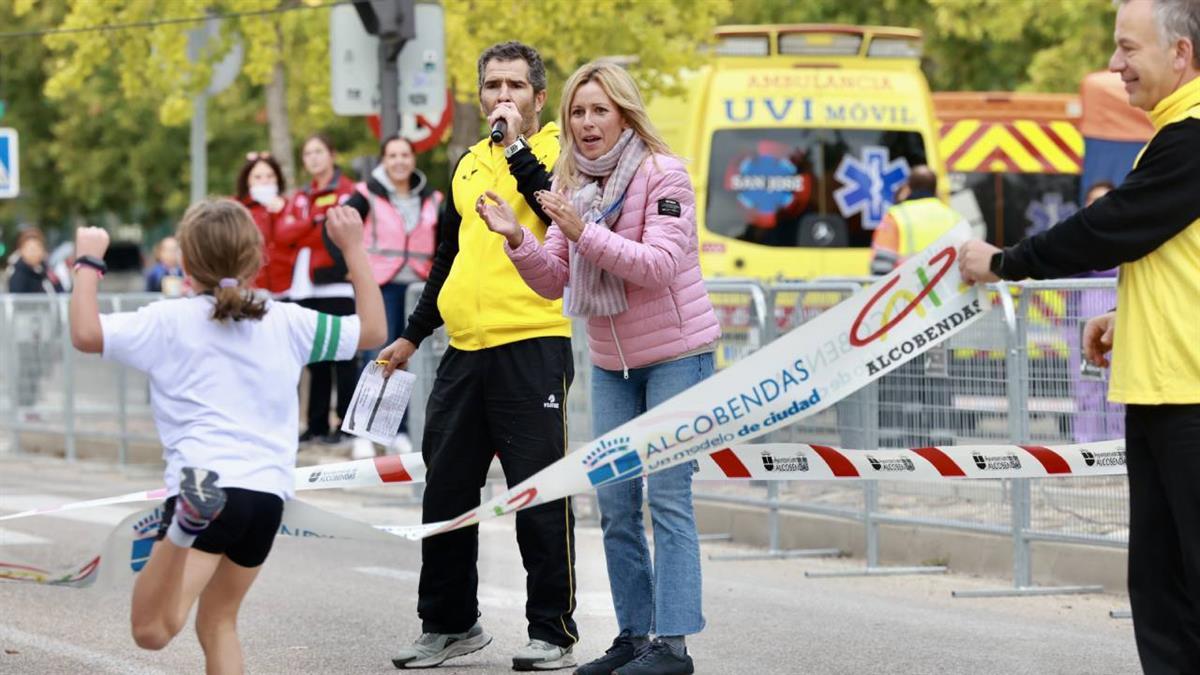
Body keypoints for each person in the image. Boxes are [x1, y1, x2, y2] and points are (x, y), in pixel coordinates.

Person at [958, 2, 1200, 671]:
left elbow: (1112, 225)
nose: (1115, 65)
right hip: (1163, 389)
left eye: (1128, 49)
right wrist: (1131, 319)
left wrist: (1006, 261)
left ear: (1180, 54)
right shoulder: (1173, 133)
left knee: (1173, 593)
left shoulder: (1192, 135)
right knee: (1160, 588)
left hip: (1188, 397)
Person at [68, 198, 385, 673]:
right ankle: (189, 522)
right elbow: (373, 330)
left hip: (207, 488)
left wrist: (89, 260)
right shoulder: (287, 321)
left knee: (153, 630)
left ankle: (182, 527)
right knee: (218, 623)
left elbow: (86, 333)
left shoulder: (167, 320)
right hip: (266, 499)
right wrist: (354, 248)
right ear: (257, 257)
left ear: (186, 263)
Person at [478, 60, 721, 675]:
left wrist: (580, 229)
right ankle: (633, 637)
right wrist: (517, 239)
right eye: (578, 112)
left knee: (667, 498)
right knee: (614, 505)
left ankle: (673, 646)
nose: (587, 123)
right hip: (613, 364)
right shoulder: (573, 180)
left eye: (599, 111)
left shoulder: (664, 174)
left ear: (624, 114)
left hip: (677, 357)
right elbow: (554, 280)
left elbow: (658, 265)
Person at [379, 41, 578, 671]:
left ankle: (552, 630)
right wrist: (413, 334)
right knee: (447, 493)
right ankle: (449, 623)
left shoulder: (558, 154)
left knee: (537, 494)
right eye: (493, 87)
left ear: (538, 99)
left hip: (532, 343)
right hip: (464, 350)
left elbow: (554, 216)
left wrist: (517, 147)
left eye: (516, 87)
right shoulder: (467, 163)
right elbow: (449, 258)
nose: (502, 98)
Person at [346, 134, 442, 454]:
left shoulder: (433, 199)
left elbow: (444, 240)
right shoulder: (365, 195)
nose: (399, 161)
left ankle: (396, 429)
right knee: (376, 353)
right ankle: (363, 431)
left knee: (406, 358)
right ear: (383, 161)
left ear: (413, 159)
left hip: (419, 288)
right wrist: (349, 268)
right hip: (380, 284)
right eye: (392, 156)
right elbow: (339, 231)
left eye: (405, 155)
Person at [279, 134, 360, 444]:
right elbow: (285, 234)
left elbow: (338, 231)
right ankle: (315, 424)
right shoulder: (300, 195)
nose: (312, 158)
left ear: (332, 154)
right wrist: (314, 222)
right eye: (307, 153)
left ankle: (346, 424)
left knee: (344, 356)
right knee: (316, 359)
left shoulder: (347, 189)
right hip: (304, 285)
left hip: (337, 282)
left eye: (318, 152)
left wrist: (310, 227)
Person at [869, 166, 961, 275]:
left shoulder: (896, 215)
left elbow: (882, 263)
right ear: (935, 188)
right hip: (943, 288)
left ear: (909, 187)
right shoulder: (953, 216)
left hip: (907, 289)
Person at [9, 227, 62, 411]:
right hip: (26, 329)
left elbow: (60, 289)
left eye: (37, 247)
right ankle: (24, 405)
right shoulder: (18, 272)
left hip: (45, 328)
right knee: (26, 366)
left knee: (39, 366)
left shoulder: (45, 271)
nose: (34, 252)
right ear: (21, 250)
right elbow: (18, 297)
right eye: (29, 248)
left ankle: (32, 404)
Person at [235, 151, 296, 297]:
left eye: (270, 176)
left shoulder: (291, 205)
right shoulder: (237, 208)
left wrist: (282, 212)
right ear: (247, 179)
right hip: (249, 287)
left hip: (287, 288)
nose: (265, 181)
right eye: (258, 177)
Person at [9, 227, 63, 294]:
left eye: (38, 248)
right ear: (22, 250)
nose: (34, 253)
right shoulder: (18, 276)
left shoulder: (47, 272)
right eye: (31, 249)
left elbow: (61, 292)